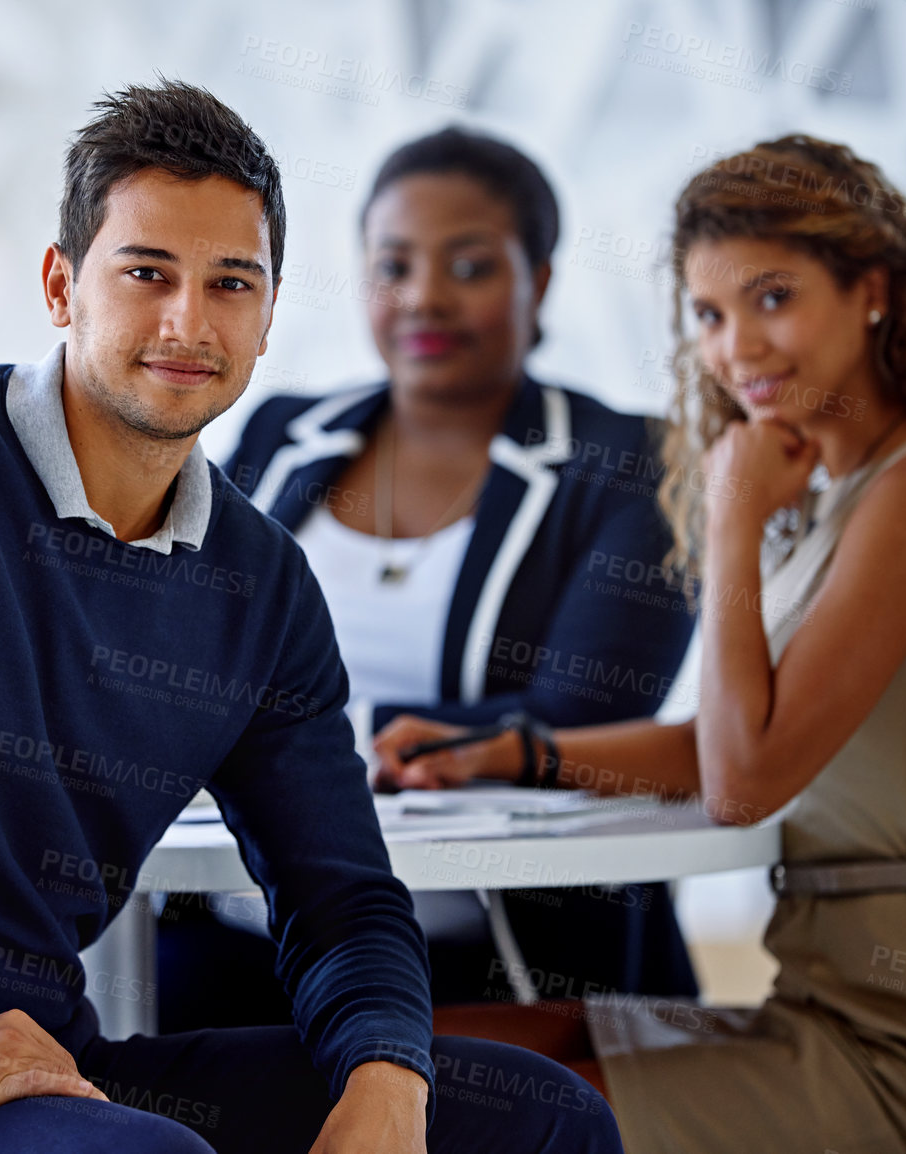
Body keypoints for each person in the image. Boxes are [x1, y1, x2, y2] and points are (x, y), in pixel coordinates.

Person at [0, 82, 622, 1154]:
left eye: (230, 282)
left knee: (540, 1117)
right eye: (147, 273)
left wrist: (384, 1080)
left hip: (47, 1073)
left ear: (269, 313)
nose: (188, 320)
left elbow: (341, 895)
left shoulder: (261, 583)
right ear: (61, 284)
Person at [379, 136, 906, 1152]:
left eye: (772, 298)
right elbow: (725, 740)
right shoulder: (847, 500)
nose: (735, 348)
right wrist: (512, 752)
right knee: (401, 1057)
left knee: (457, 1105)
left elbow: (742, 781)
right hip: (809, 1007)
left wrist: (728, 521)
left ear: (875, 292)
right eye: (709, 314)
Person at [203, 128, 696, 1017]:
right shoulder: (282, 435)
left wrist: (297, 744)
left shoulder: (630, 461)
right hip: (229, 943)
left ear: (538, 281)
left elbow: (590, 714)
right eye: (394, 266)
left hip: (489, 967)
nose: (424, 298)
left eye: (469, 268)